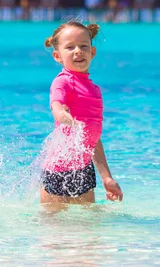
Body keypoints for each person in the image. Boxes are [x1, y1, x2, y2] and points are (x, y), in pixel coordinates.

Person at [41, 20, 123, 207]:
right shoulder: (62, 82)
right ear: (57, 56)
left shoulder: (94, 90)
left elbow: (93, 139)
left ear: (92, 53)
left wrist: (107, 178)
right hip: (58, 169)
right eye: (70, 47)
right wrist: (61, 114)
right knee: (53, 231)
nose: (78, 51)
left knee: (88, 230)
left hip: (84, 169)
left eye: (83, 46)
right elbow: (56, 103)